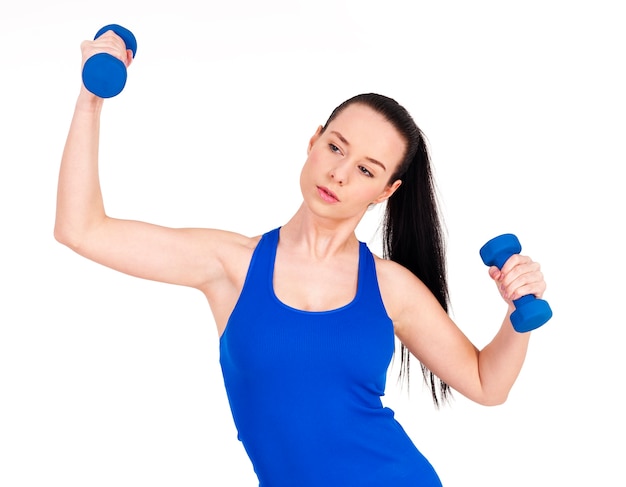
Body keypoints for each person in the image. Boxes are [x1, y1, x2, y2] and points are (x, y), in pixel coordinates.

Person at [55, 30, 548, 487]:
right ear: (313, 142)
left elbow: (487, 383)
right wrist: (90, 100)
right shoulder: (232, 264)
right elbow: (81, 230)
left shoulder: (389, 286)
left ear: (386, 191)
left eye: (365, 170)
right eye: (335, 147)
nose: (338, 174)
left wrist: (515, 316)